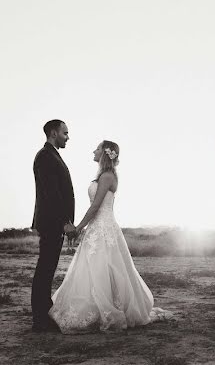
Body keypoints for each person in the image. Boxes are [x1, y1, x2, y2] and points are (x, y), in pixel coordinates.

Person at [49, 140, 169, 333]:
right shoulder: (103, 175)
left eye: (96, 148)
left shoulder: (107, 176)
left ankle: (109, 310)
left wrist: (78, 227)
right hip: (97, 228)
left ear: (105, 153)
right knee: (94, 269)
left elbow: (96, 207)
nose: (93, 150)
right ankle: (96, 308)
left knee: (103, 268)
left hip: (104, 228)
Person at [31, 119, 75, 332]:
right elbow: (52, 194)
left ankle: (44, 312)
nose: (68, 136)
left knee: (47, 269)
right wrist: (64, 222)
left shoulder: (52, 155)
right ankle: (40, 320)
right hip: (51, 222)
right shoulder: (45, 156)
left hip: (53, 222)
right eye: (65, 132)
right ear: (53, 132)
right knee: (45, 269)